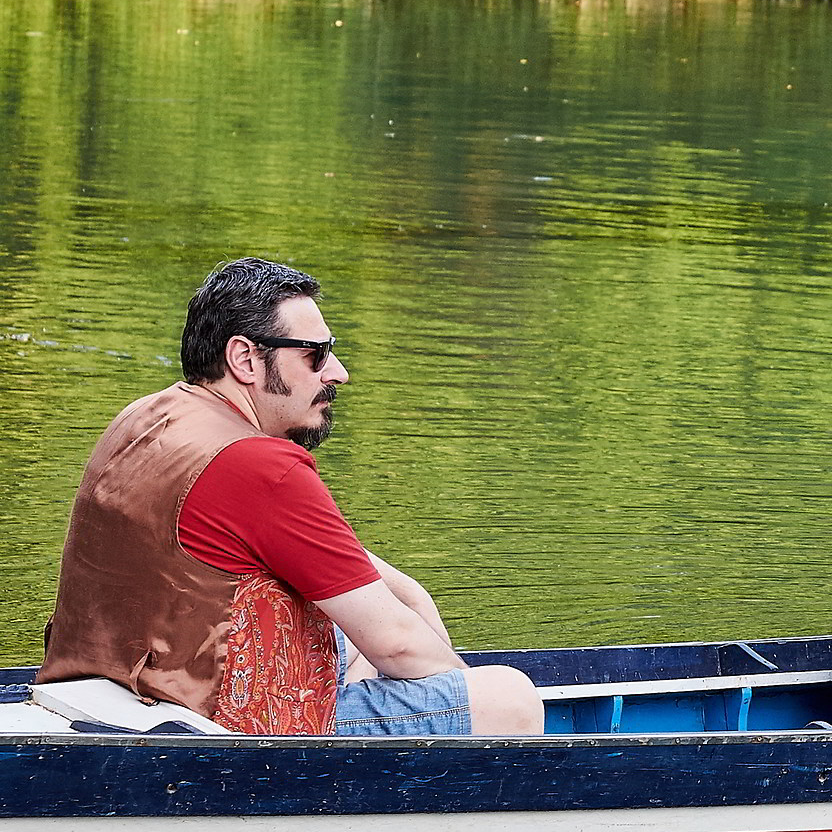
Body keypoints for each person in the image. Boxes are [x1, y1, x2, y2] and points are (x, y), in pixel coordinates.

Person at [39, 257, 542, 735]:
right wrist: (462, 698)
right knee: (509, 698)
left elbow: (394, 595)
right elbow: (400, 649)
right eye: (315, 354)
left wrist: (413, 605)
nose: (337, 372)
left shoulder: (147, 417)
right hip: (219, 722)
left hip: (117, 683)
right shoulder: (261, 466)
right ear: (245, 359)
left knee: (400, 604)